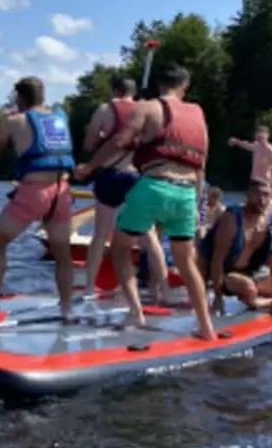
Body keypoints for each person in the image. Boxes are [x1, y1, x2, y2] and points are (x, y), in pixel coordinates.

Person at [75, 63, 217, 339]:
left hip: (154, 186)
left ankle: (136, 312)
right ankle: (206, 327)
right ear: (185, 87)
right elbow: (202, 163)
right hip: (187, 192)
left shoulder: (147, 107)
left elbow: (119, 141)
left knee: (119, 247)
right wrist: (199, 206)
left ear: (157, 86)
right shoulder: (198, 113)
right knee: (186, 261)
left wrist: (90, 167)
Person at [0, 76, 76, 319]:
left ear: (20, 97)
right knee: (63, 255)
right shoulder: (60, 117)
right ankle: (67, 308)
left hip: (34, 191)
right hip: (61, 192)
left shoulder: (14, 120)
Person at [80, 75, 161, 293]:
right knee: (149, 234)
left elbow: (88, 144)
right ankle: (163, 289)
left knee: (100, 234)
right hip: (134, 175)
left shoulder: (105, 110)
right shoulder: (146, 110)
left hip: (109, 174)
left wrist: (103, 137)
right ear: (133, 92)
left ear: (115, 91)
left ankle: (89, 287)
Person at [198, 177, 272, 316]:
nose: (262, 199)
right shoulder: (232, 218)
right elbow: (217, 259)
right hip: (226, 273)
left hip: (251, 272)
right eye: (257, 194)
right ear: (248, 195)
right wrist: (218, 297)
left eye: (266, 195)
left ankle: (263, 298)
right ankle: (257, 300)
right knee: (247, 288)